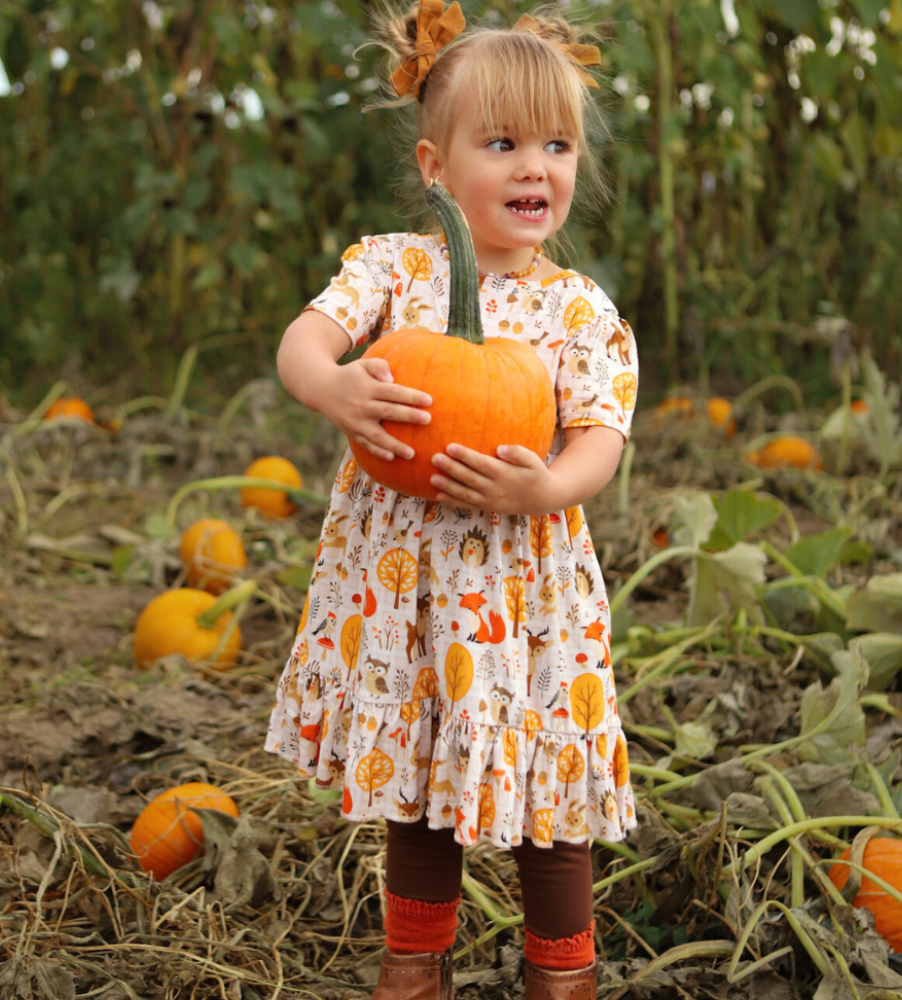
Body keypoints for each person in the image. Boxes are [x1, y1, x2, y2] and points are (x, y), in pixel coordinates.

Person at [265, 3, 640, 996]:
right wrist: (333, 383)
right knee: (415, 785)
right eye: (503, 142)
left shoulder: (576, 310)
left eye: (555, 145)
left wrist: (546, 484)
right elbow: (302, 343)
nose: (534, 167)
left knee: (548, 793)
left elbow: (600, 435)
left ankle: (562, 973)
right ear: (435, 167)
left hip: (526, 596)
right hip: (405, 590)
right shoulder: (393, 268)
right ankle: (412, 963)